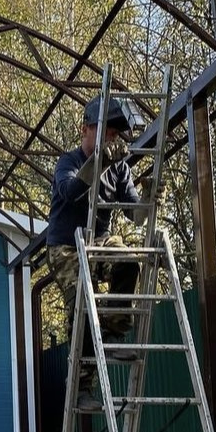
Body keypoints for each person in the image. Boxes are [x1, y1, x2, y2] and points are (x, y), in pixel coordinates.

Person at [47, 95, 150, 406]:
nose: (111, 140)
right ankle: (81, 385)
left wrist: (149, 198)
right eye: (106, 132)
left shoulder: (119, 169)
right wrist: (98, 164)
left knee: (128, 262)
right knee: (82, 301)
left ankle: (113, 329)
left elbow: (134, 214)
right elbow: (70, 191)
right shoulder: (69, 161)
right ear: (85, 130)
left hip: (99, 240)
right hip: (66, 246)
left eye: (115, 135)